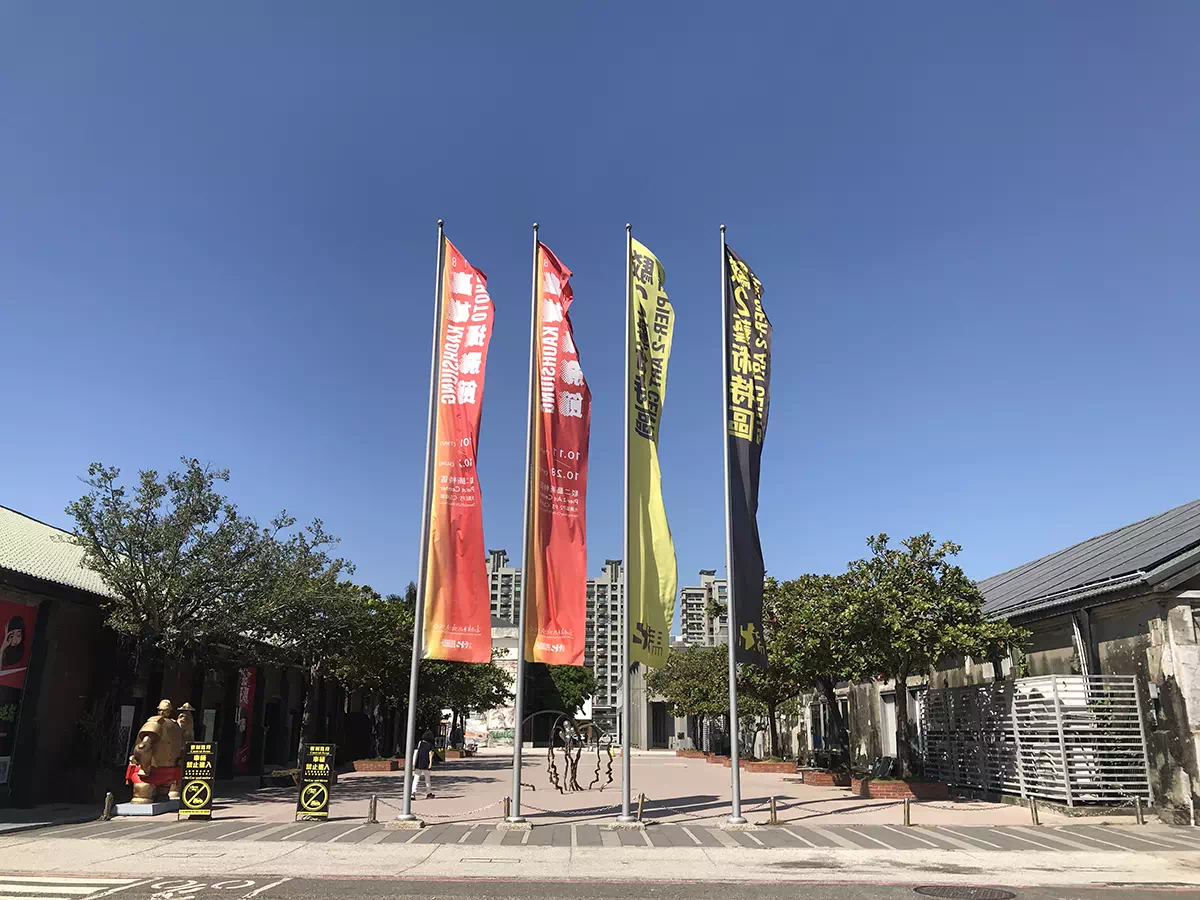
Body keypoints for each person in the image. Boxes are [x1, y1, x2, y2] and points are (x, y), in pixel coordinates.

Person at [411, 729, 436, 799]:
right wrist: (430, 764)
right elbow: (430, 755)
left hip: (418, 763)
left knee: (416, 778)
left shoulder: (419, 743)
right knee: (427, 779)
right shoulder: (430, 745)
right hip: (426, 764)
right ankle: (429, 793)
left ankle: (413, 793)